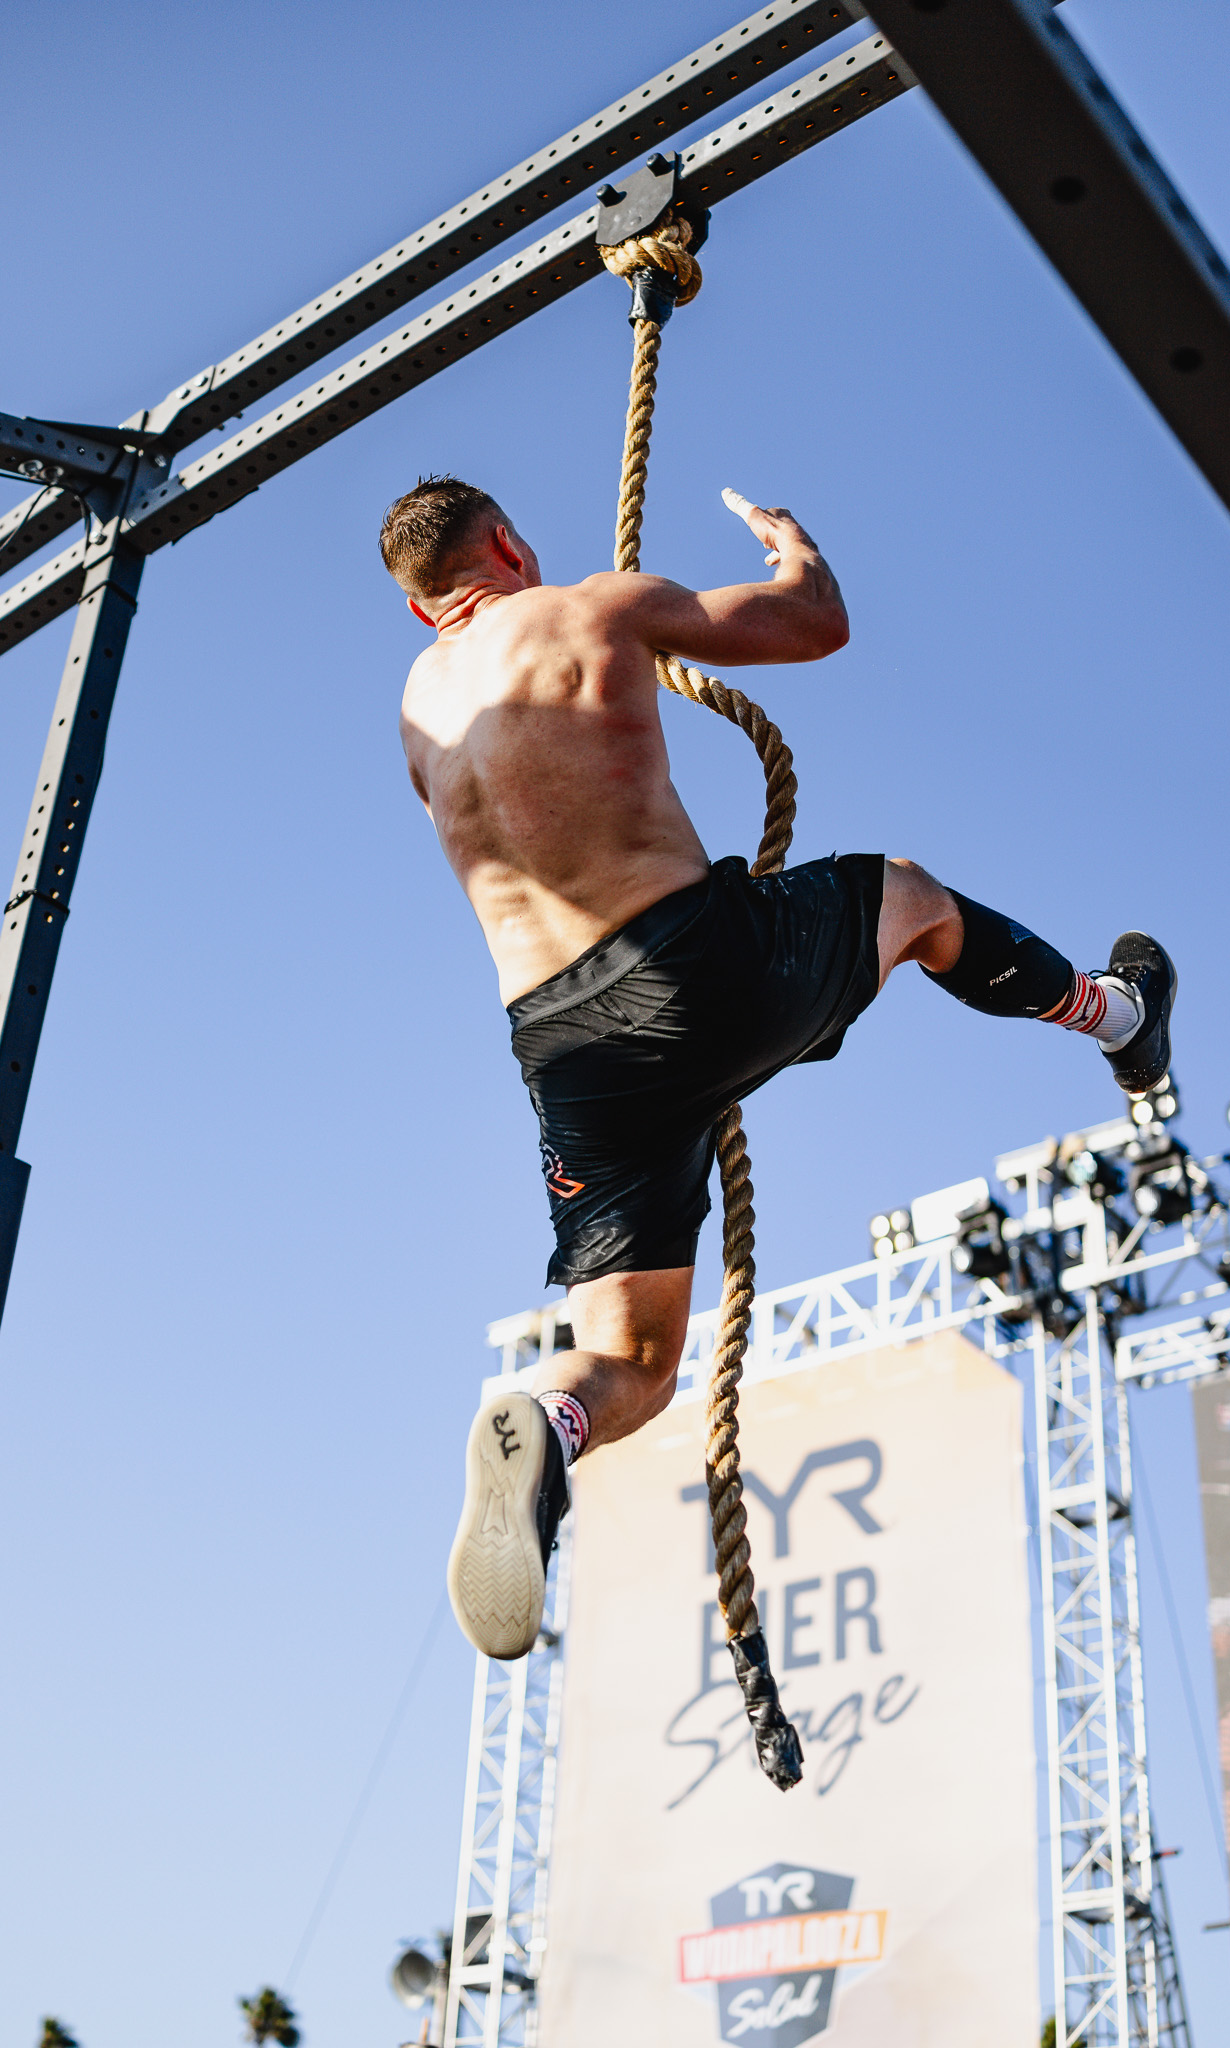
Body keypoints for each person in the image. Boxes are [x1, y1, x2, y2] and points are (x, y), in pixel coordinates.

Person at [384, 474, 1177, 1660]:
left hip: (562, 1047)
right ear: (506, 542)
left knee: (631, 1359)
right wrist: (791, 549)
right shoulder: (593, 608)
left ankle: (549, 1419)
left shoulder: (418, 715)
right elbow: (816, 624)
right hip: (688, 965)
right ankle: (1115, 1017)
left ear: (420, 607)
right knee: (911, 897)